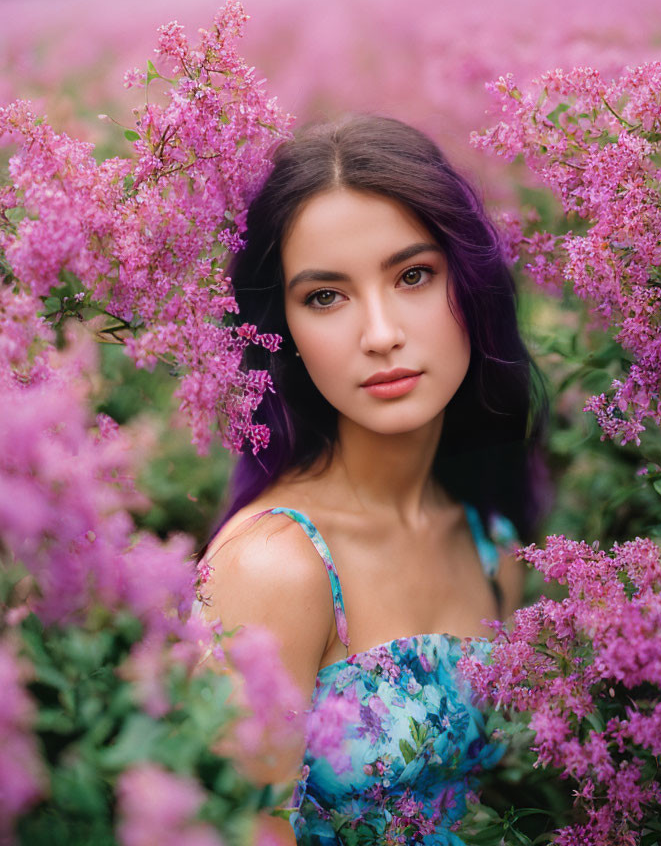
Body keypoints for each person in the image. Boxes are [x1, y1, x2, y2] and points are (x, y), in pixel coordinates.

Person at [196, 114, 548, 844]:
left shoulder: (496, 551)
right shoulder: (274, 569)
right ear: (281, 332)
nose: (381, 332)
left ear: (471, 287)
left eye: (414, 275)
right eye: (326, 296)